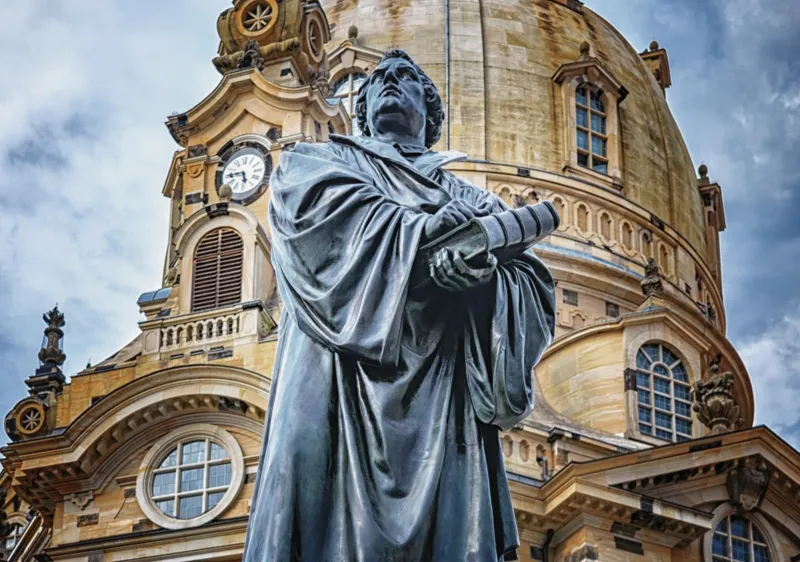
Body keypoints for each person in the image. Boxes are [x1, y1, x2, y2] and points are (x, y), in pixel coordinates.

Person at [243, 49, 556, 562]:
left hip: (442, 392)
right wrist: (421, 229)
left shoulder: (472, 200)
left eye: (406, 77)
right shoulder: (321, 160)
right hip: (334, 376)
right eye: (379, 79)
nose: (390, 82)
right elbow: (310, 218)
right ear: (362, 107)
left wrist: (480, 281)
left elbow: (531, 287)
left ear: (429, 111)